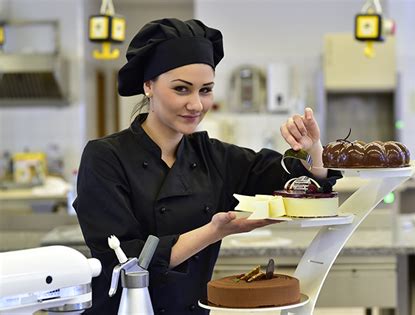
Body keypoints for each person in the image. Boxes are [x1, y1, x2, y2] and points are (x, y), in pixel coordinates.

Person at [74, 18, 341, 315]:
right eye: (182, 89)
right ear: (148, 86)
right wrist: (213, 231)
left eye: (205, 90)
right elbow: (124, 263)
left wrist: (312, 150)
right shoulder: (105, 157)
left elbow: (295, 183)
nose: (197, 105)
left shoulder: (213, 157)